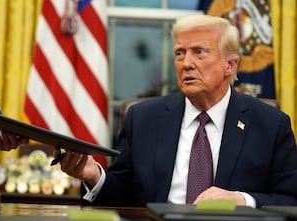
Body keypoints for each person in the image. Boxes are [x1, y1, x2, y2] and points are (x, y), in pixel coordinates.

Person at [55, 14, 297, 208]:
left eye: (199, 52)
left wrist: (243, 200)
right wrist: (95, 176)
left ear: (229, 65)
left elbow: (290, 200)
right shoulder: (143, 119)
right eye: (180, 53)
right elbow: (125, 192)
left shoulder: (269, 125)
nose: (186, 63)